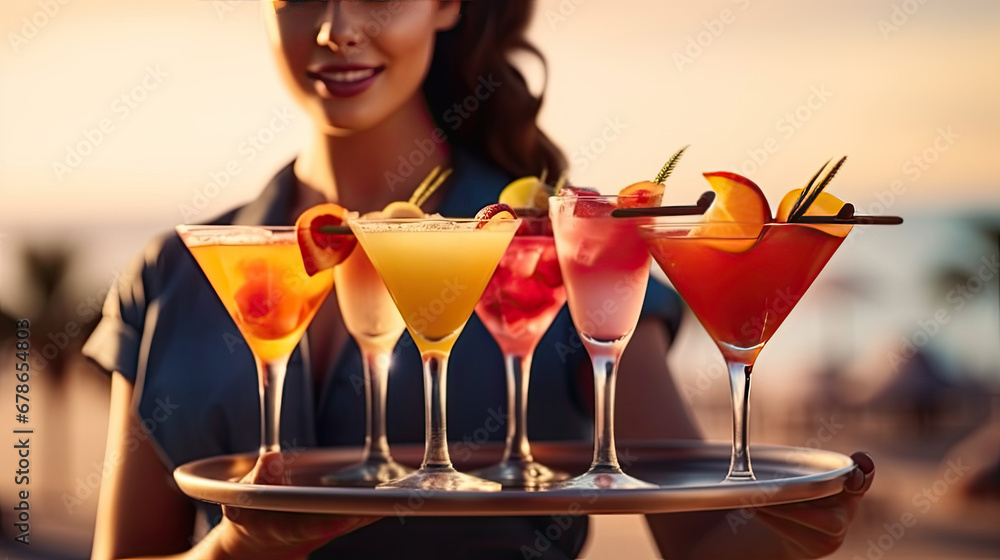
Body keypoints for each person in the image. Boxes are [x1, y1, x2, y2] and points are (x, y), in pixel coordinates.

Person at [83, 2, 874, 559]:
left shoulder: (564, 247)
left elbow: (702, 541)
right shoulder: (175, 274)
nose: (336, 27)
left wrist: (793, 530)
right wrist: (235, 551)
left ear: (447, 3)